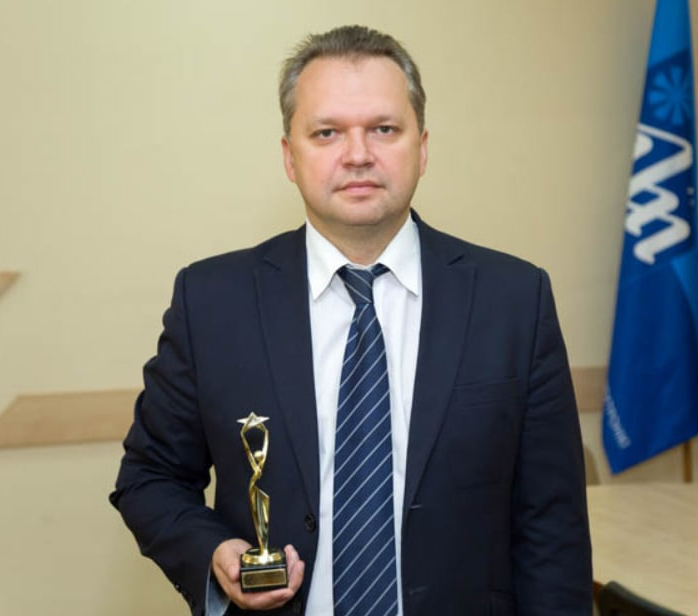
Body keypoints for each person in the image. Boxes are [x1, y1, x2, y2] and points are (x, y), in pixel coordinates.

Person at [111, 24, 592, 616]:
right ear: (289, 156)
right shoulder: (212, 301)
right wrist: (214, 553)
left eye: (384, 129)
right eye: (327, 132)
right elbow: (149, 477)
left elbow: (553, 525)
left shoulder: (514, 299)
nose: (358, 154)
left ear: (422, 147)